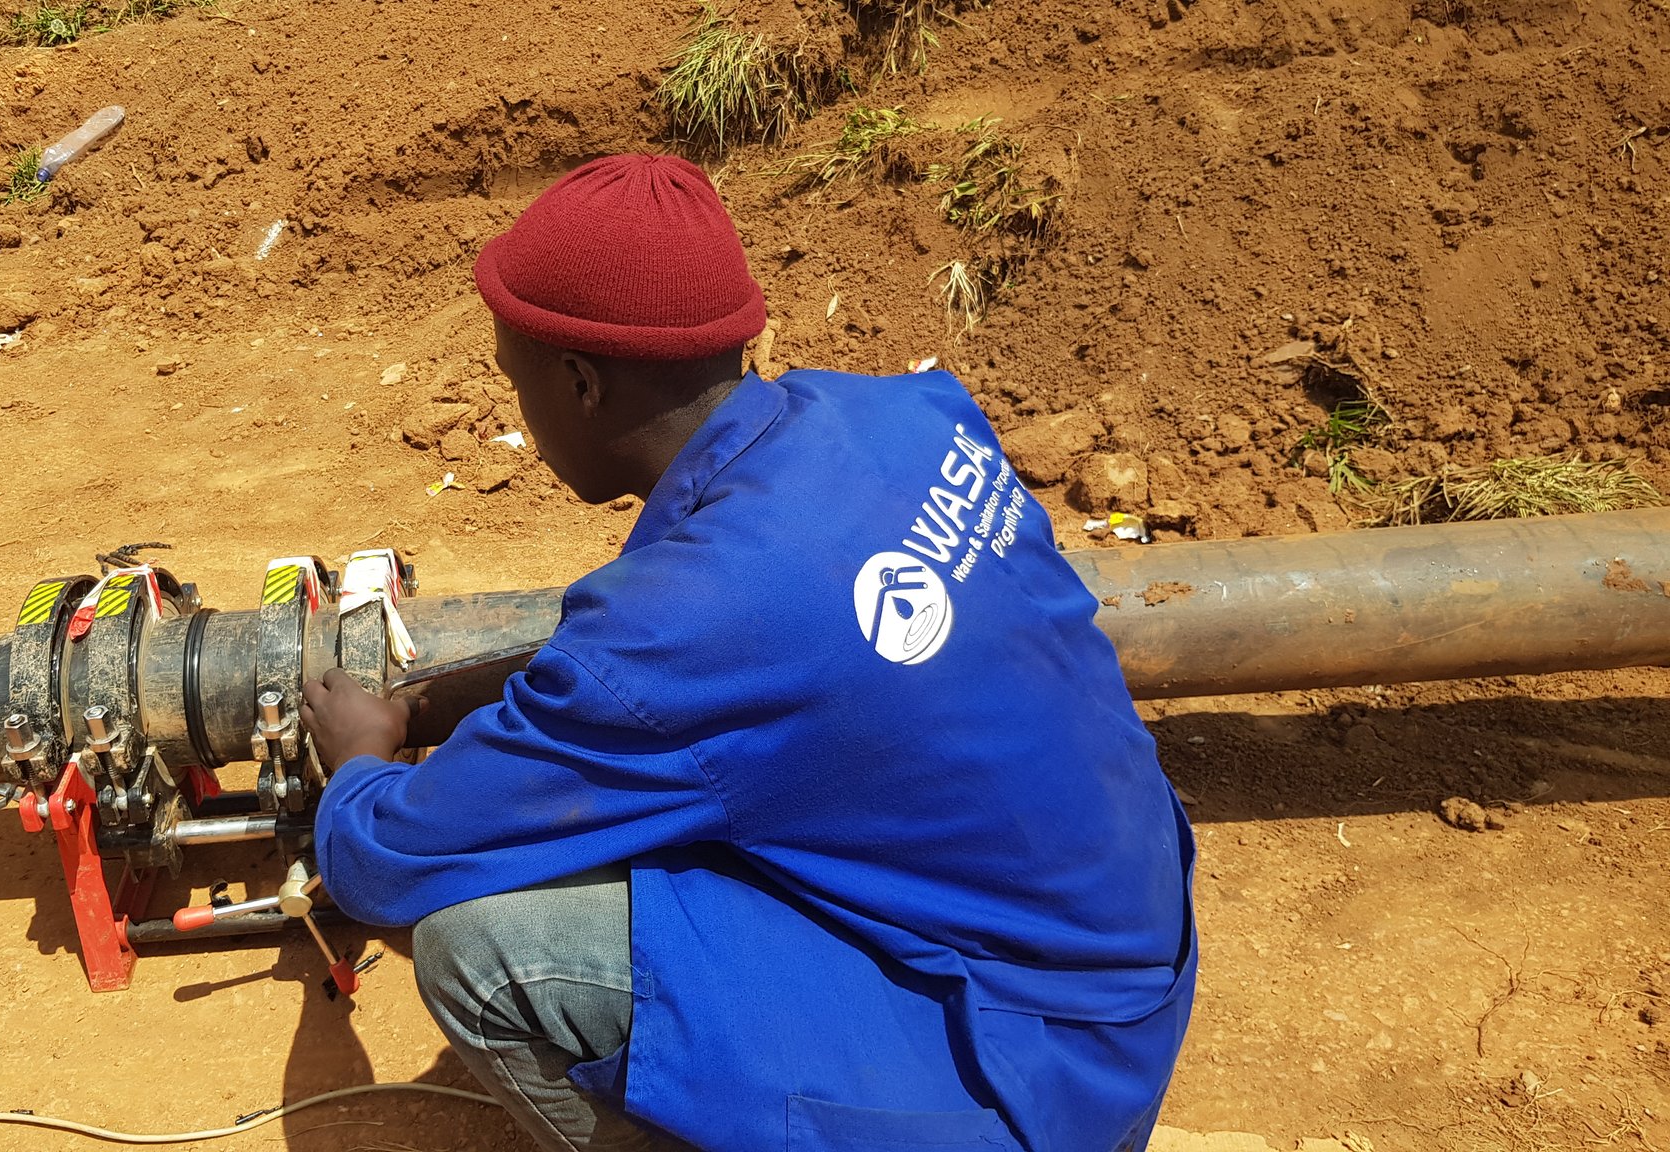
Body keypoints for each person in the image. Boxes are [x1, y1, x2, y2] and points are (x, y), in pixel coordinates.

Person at [300, 154, 1196, 1152]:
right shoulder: (890, 415)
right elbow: (648, 665)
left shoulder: (696, 621)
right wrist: (425, 707)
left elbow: (384, 865)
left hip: (1034, 1070)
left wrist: (358, 764)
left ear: (580, 383)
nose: (517, 409)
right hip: (1114, 949)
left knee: (478, 953)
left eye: (517, 381)